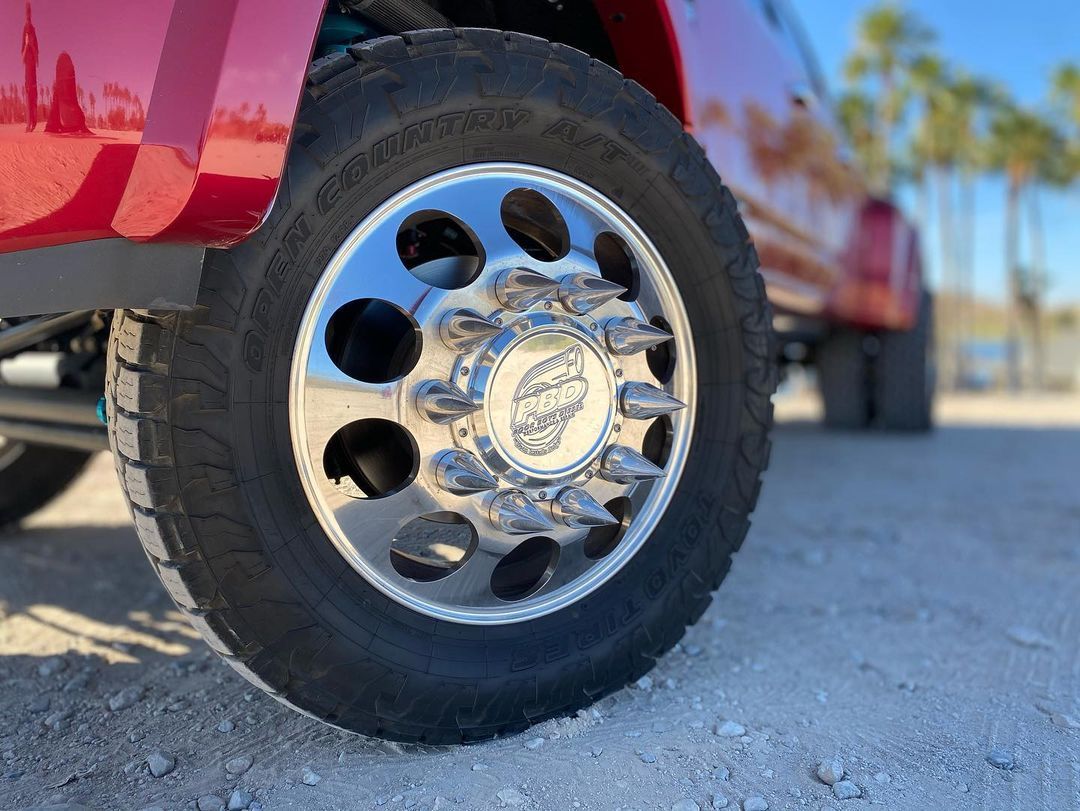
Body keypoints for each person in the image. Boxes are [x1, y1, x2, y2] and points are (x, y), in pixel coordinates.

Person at [21, 2, 39, 132]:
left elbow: (37, 59)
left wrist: (31, 46)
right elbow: (22, 58)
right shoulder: (26, 28)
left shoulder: (31, 29)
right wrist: (27, 45)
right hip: (28, 72)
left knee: (33, 94)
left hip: (32, 74)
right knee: (29, 94)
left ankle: (33, 122)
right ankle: (29, 124)